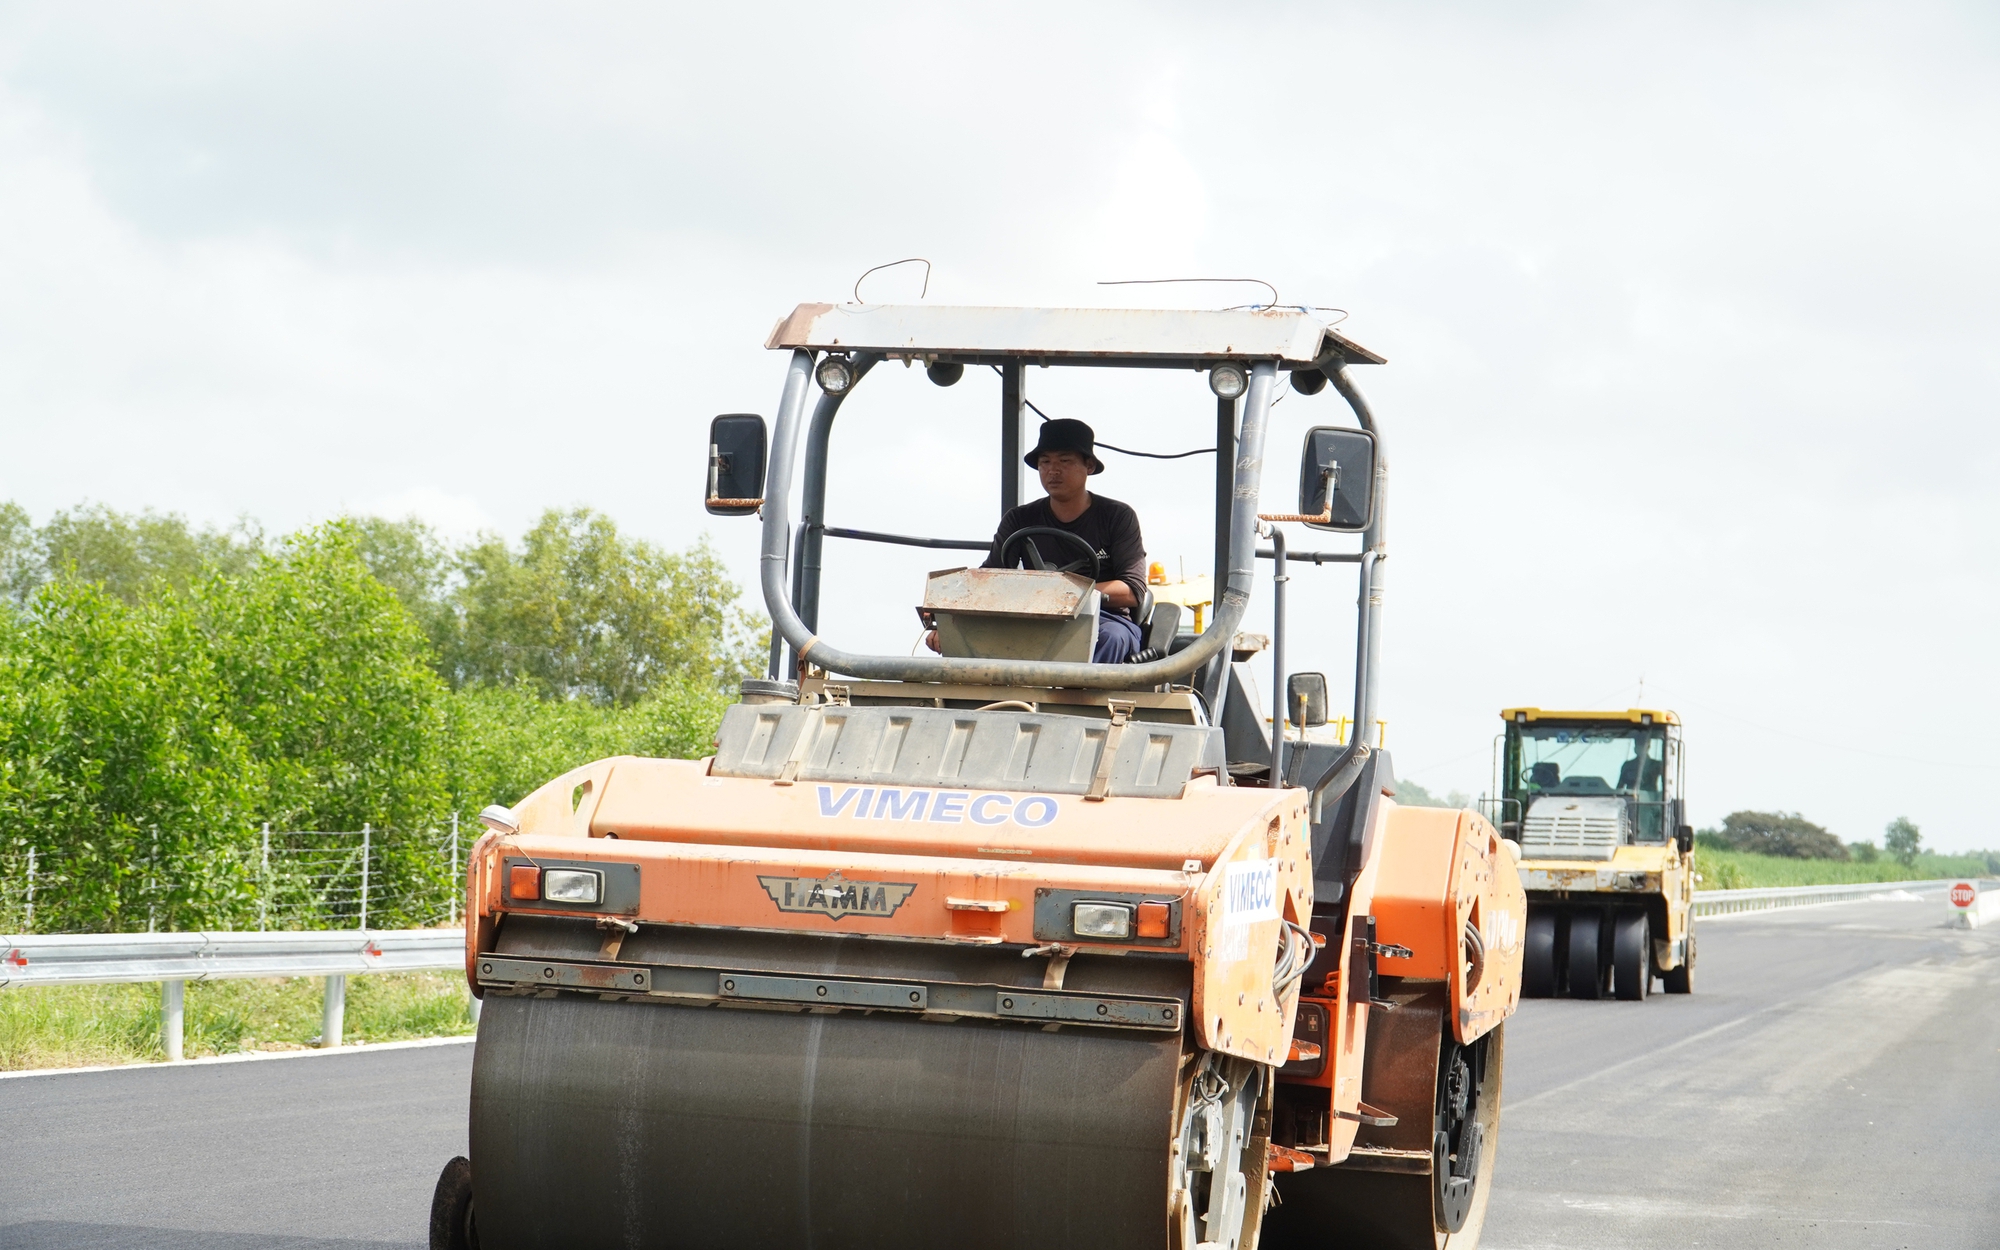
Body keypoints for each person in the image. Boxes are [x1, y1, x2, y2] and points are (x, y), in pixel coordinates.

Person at [926, 418, 1149, 663]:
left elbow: (1132, 591)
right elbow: (989, 580)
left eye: (1065, 461)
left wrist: (1065, 594)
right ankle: (1003, 700)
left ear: (1090, 466)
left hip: (1104, 617)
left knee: (1112, 637)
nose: (1053, 470)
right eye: (1045, 462)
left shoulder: (1117, 517)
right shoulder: (1019, 519)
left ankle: (1081, 700)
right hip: (1036, 619)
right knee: (984, 636)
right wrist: (948, 618)